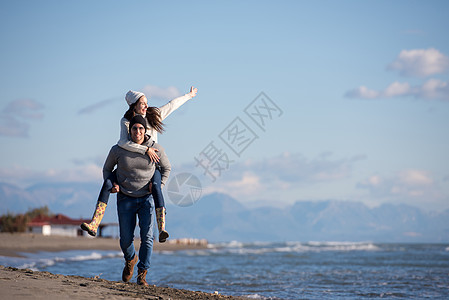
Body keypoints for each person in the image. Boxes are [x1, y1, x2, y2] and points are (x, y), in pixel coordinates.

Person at [81, 86, 198, 241]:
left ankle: (162, 228)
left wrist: (188, 96)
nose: (146, 106)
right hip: (128, 164)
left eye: (146, 102)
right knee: (108, 182)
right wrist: (145, 150)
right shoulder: (126, 121)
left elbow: (171, 105)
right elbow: (123, 143)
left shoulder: (153, 116)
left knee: (156, 187)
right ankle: (94, 224)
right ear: (134, 105)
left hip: (150, 166)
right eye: (142, 103)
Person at [103, 115, 171, 285]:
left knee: (147, 237)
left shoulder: (156, 149)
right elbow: (107, 169)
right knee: (125, 239)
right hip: (125, 198)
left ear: (145, 130)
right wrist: (113, 186)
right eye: (135, 128)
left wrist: (159, 186)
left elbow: (167, 168)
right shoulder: (118, 149)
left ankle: (142, 273)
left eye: (141, 128)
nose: (138, 132)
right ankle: (130, 259)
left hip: (146, 199)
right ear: (130, 130)